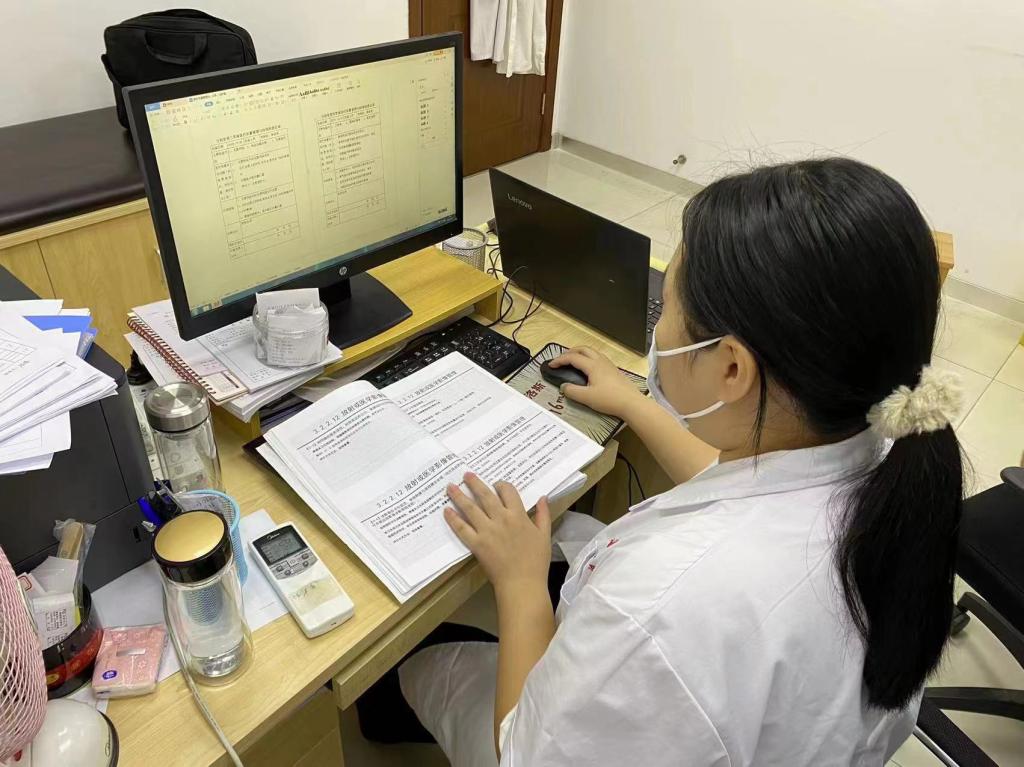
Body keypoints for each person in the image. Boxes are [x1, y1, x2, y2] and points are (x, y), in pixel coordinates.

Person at [371, 158, 966, 765]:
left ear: (731, 368)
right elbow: (747, 485)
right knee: (572, 534)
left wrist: (520, 586)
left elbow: (522, 755)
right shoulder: (885, 443)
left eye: (669, 310)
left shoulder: (660, 609)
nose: (660, 332)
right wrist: (635, 403)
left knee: (419, 662)